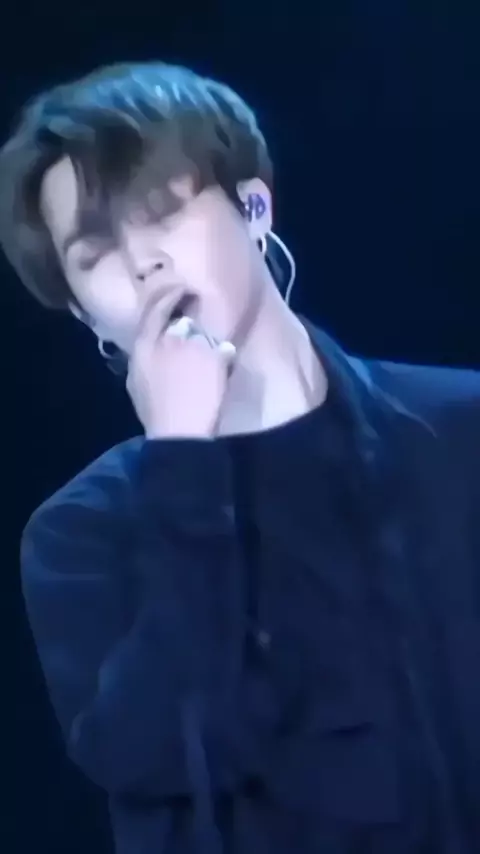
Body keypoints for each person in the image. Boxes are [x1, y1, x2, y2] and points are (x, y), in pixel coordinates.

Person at [3, 61, 480, 854]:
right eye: (95, 252)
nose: (143, 263)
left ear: (253, 208)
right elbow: (164, 754)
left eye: (160, 212)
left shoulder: (460, 434)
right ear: (84, 312)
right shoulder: (82, 533)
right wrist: (182, 461)